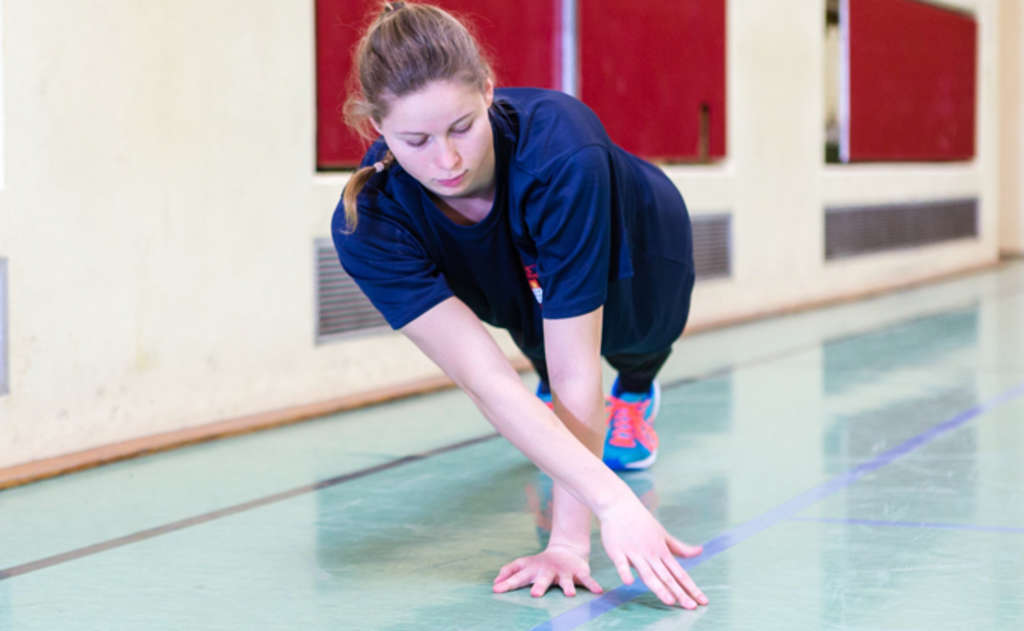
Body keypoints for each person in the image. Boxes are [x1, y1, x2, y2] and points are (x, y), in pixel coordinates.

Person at [331, 1, 706, 609]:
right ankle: (562, 415)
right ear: (378, 129)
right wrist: (587, 528)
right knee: (538, 348)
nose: (446, 161)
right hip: (515, 272)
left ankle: (636, 392)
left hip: (645, 230)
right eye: (415, 141)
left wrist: (577, 535)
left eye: (462, 127)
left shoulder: (562, 152)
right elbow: (485, 382)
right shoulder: (368, 224)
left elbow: (579, 370)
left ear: (488, 89)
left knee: (634, 342)